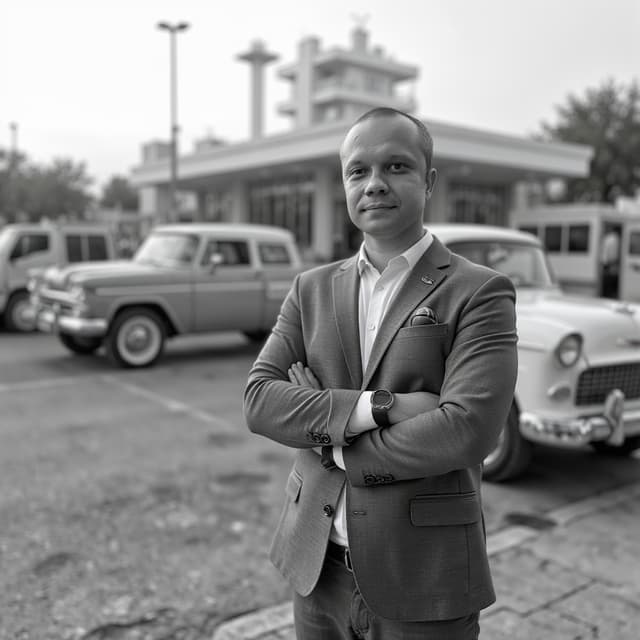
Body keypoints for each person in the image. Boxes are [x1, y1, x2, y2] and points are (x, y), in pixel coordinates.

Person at [243, 107, 518, 639]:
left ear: (428, 180)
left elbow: (466, 431)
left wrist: (329, 438)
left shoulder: (479, 291)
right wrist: (378, 408)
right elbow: (259, 400)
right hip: (316, 569)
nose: (374, 184)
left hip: (424, 575)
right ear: (344, 184)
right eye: (357, 171)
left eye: (396, 167)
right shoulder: (311, 289)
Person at [600, 226, 620, 298]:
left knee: (608, 279)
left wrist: (604, 262)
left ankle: (607, 294)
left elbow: (604, 251)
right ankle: (610, 294)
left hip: (607, 262)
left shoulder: (607, 238)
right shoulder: (617, 239)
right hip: (612, 262)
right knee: (612, 279)